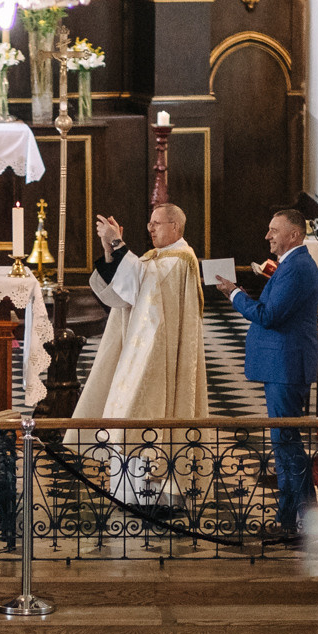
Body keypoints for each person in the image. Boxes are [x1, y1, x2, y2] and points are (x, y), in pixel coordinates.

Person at [71, 203, 211, 507]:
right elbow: (123, 291)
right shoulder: (153, 257)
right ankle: (128, 492)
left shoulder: (182, 259)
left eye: (157, 223)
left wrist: (118, 243)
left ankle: (157, 496)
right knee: (128, 411)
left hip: (160, 355)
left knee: (145, 411)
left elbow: (146, 282)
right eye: (150, 223)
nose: (151, 228)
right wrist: (110, 248)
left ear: (175, 226)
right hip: (137, 352)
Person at [215, 207, 318, 541]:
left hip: (286, 366)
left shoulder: (298, 268)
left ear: (294, 234)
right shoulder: (292, 265)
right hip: (283, 365)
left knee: (287, 445)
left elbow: (268, 316)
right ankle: (292, 520)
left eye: (274, 230)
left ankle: (304, 522)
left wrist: (234, 294)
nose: (267, 236)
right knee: (285, 445)